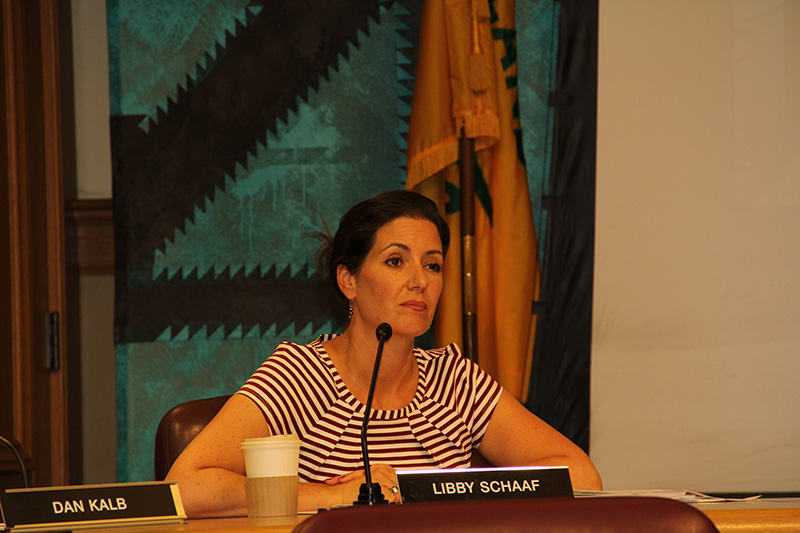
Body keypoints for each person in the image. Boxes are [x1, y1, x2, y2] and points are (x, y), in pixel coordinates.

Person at [167, 190, 602, 517]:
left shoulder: (455, 380)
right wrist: (335, 495)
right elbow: (184, 486)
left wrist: (456, 493)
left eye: (432, 264)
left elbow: (582, 475)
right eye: (396, 261)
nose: (420, 281)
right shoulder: (301, 376)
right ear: (349, 281)